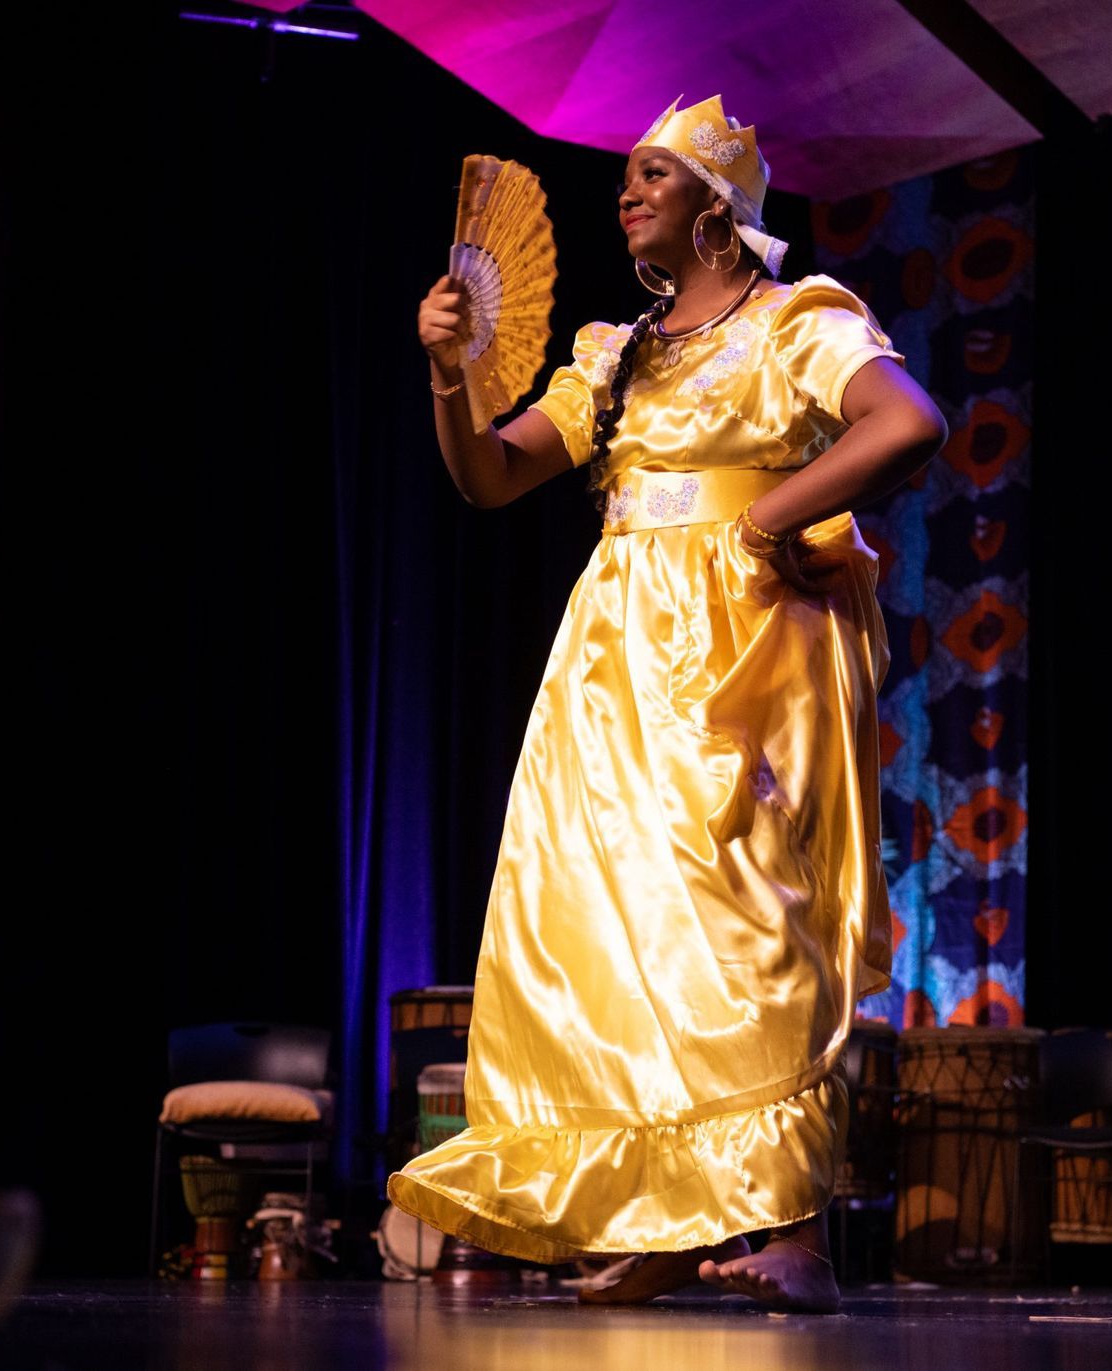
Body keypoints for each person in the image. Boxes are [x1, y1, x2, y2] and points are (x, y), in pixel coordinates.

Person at [385, 95, 947, 1315]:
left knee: (744, 909)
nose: (627, 191)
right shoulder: (613, 352)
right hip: (613, 657)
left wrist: (761, 518)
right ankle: (652, 1210)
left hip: (740, 640)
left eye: (653, 173)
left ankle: (787, 1219)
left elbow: (905, 421)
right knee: (603, 924)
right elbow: (490, 476)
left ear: (716, 203)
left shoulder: (795, 320)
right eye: (627, 177)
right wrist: (447, 377)